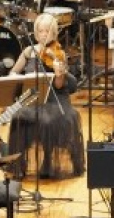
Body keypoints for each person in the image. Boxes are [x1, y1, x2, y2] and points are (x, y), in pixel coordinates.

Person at [7, 12, 84, 180]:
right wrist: (17, 78)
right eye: (40, 31)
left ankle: (48, 161)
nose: (43, 35)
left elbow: (59, 85)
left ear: (54, 33)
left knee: (48, 121)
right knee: (18, 116)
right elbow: (13, 72)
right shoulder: (28, 51)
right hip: (33, 98)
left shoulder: (59, 54)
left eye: (47, 31)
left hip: (55, 99)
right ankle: (18, 163)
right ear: (35, 33)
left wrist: (59, 74)